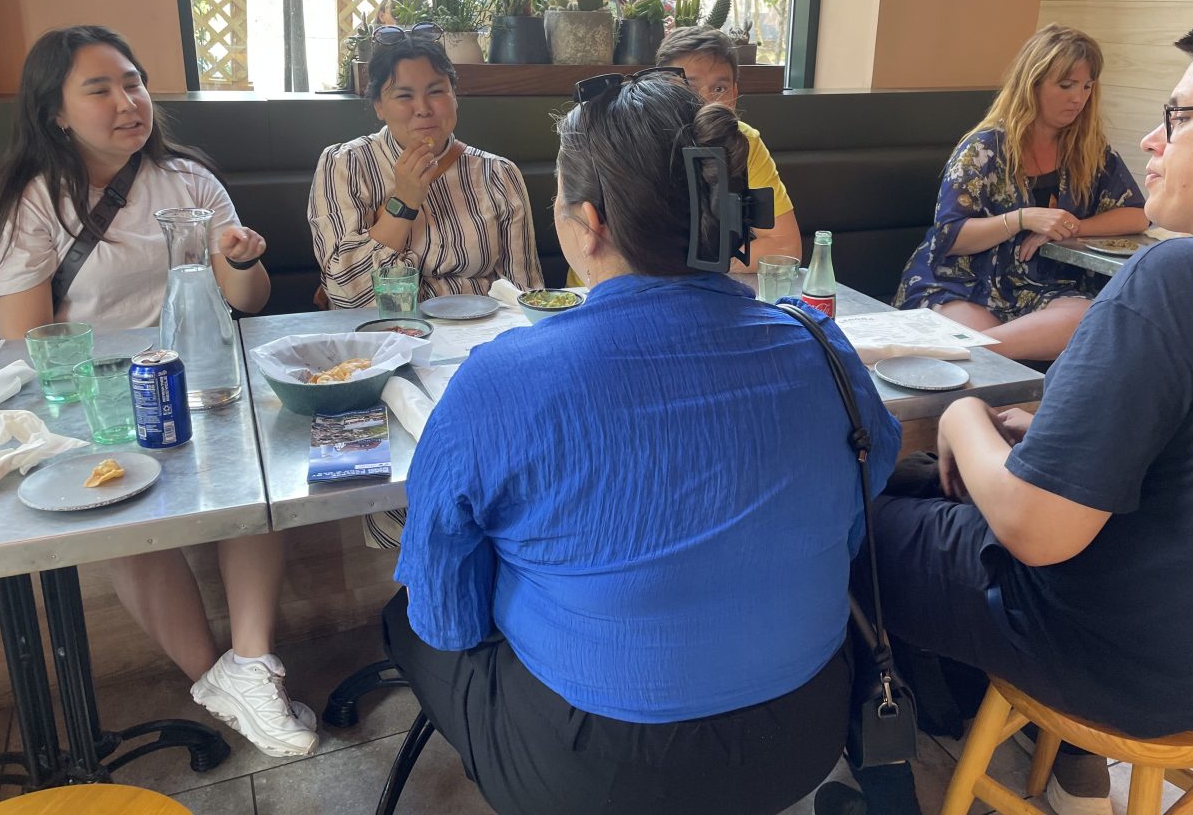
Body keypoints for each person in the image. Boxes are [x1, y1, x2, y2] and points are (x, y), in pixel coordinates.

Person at [820, 9, 1193, 815]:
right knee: (926, 483)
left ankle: (868, 741)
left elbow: (1035, 531)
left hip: (1120, 663)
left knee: (841, 518)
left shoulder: (1179, 280)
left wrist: (960, 419)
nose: (1154, 141)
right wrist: (1029, 432)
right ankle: (984, 713)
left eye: (1179, 118)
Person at [382, 70, 903, 814]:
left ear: (587, 221)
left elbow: (447, 618)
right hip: (805, 731)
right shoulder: (819, 344)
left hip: (600, 775)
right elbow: (853, 511)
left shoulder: (501, 377)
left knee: (405, 622)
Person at [0, 25, 317, 758]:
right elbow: (28, 343)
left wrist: (241, 259)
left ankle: (253, 663)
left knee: (258, 469)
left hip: (201, 376)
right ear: (55, 112)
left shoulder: (189, 181)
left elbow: (249, 301)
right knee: (117, 501)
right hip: (97, 400)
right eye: (100, 89)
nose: (127, 101)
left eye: (134, 83)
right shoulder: (35, 205)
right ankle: (216, 679)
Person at [893, 24, 1148, 361]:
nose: (1078, 98)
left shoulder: (1089, 150)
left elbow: (1138, 214)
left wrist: (1068, 225)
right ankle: (966, 356)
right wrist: (1021, 219)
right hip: (962, 280)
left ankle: (956, 352)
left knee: (1089, 317)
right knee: (979, 336)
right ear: (1032, 84)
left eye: (1087, 86)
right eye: (1066, 85)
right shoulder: (984, 148)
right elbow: (951, 238)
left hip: (1041, 287)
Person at [308, 29, 542, 310]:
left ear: (454, 96)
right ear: (379, 107)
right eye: (404, 96)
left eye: (436, 91)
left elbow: (524, 293)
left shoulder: (499, 174)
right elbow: (347, 293)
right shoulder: (345, 164)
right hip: (386, 338)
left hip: (481, 335)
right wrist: (405, 201)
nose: (422, 108)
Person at [656, 25, 802, 269]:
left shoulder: (745, 141)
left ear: (734, 94)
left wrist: (705, 271)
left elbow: (785, 247)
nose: (705, 102)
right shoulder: (633, 137)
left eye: (719, 89)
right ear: (659, 90)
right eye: (688, 87)